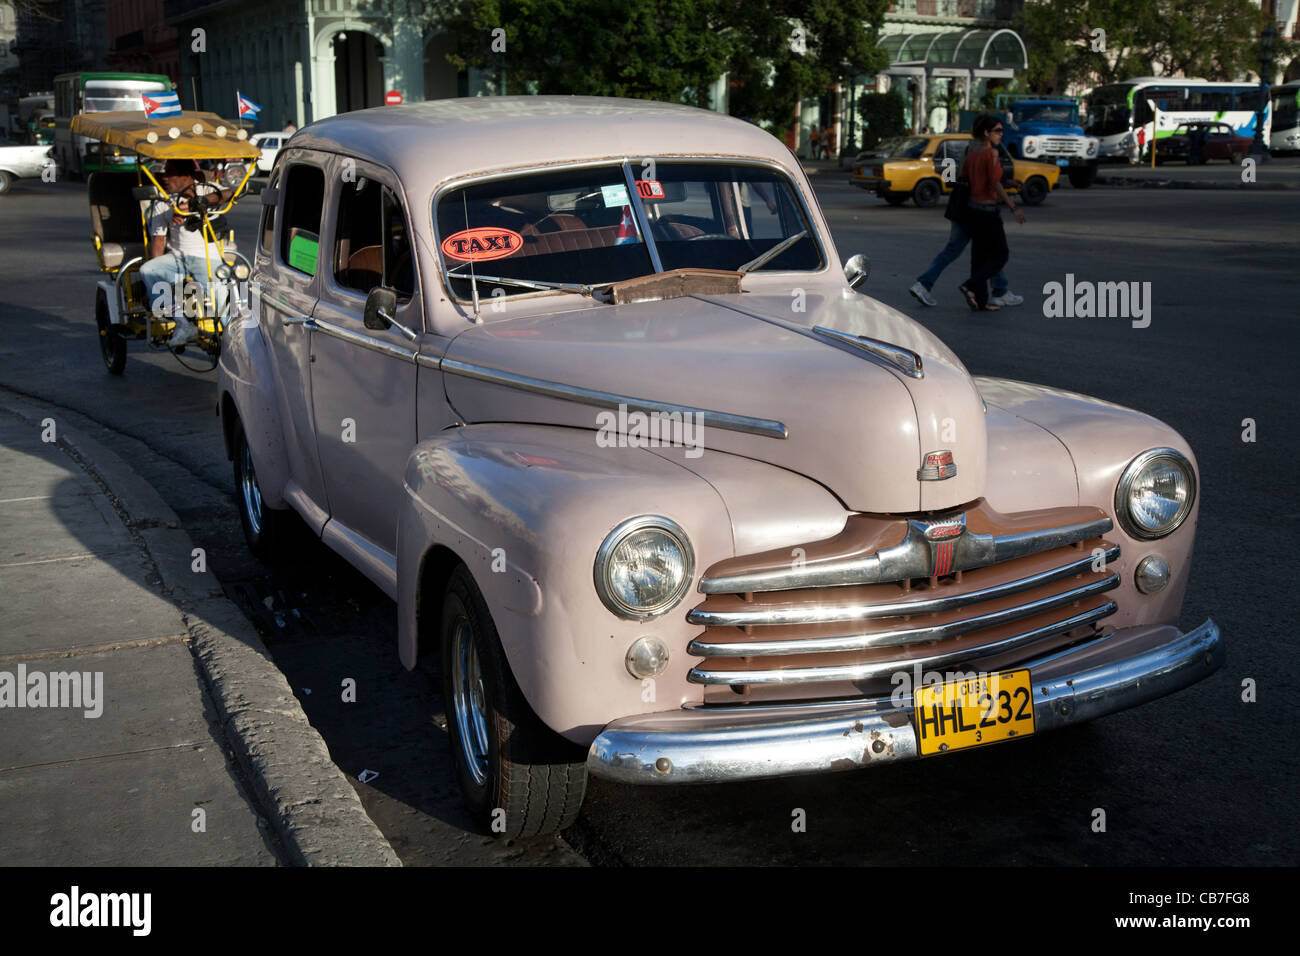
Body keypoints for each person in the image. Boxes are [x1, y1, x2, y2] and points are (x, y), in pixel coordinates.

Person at [909, 141, 1024, 308]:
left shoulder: (970, 157)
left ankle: (1000, 290)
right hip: (973, 214)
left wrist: (1007, 182)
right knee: (990, 252)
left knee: (978, 251)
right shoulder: (982, 155)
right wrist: (1012, 205)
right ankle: (999, 291)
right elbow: (989, 181)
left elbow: (986, 178)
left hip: (961, 210)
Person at [138, 159, 228, 345]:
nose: (165, 178)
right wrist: (153, 282)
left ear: (186, 177)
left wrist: (196, 204)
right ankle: (182, 323)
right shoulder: (163, 202)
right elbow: (159, 240)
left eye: (170, 173)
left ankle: (231, 332)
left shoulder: (205, 189)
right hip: (178, 258)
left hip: (207, 257)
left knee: (221, 297)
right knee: (148, 270)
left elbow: (228, 193)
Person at [958, 114, 1024, 311]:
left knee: (979, 256)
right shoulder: (990, 153)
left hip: (973, 210)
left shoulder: (972, 154)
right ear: (986, 133)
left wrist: (1008, 182)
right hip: (987, 211)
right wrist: (1013, 207)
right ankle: (970, 285)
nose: (1001, 135)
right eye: (997, 131)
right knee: (1000, 254)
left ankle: (979, 299)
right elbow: (994, 183)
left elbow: (970, 178)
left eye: (1002, 130)